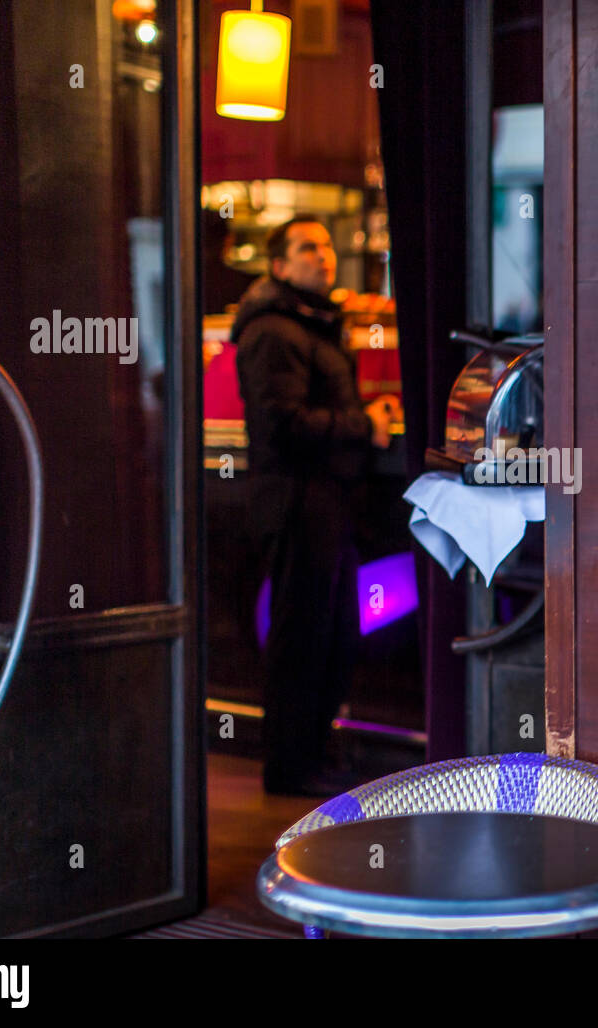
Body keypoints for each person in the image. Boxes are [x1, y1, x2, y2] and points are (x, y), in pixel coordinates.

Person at [232, 216, 395, 795]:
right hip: (299, 501)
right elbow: (283, 423)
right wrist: (362, 425)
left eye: (326, 246)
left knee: (331, 635)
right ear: (279, 265)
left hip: (327, 499)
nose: (323, 257)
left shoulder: (311, 323)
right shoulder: (275, 330)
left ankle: (311, 759)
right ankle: (289, 767)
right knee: (303, 638)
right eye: (308, 248)